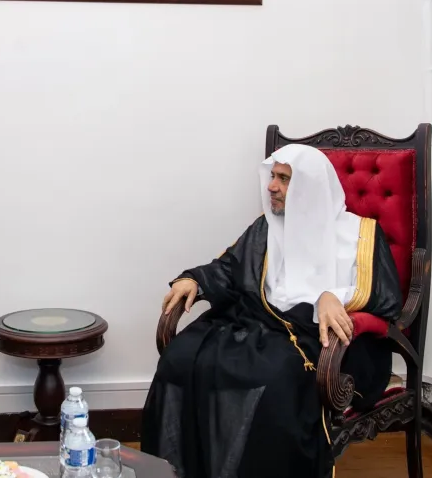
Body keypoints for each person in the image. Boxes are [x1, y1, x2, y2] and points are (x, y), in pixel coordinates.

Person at [141, 144, 403, 478]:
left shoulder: (359, 235)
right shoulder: (267, 227)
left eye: (283, 179)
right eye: (272, 176)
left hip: (316, 337)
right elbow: (230, 268)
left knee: (273, 378)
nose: (271, 186)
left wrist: (331, 296)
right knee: (180, 356)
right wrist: (195, 280)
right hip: (258, 321)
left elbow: (385, 299)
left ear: (309, 188)